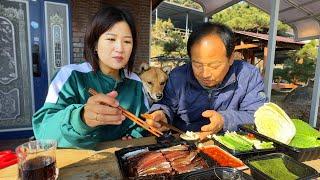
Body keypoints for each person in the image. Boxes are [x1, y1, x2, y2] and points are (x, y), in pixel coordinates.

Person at [32, 7, 149, 149]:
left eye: (127, 42)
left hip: (122, 160)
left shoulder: (136, 82)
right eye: (111, 39)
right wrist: (81, 118)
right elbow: (44, 132)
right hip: (79, 165)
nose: (119, 48)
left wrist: (136, 135)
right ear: (95, 44)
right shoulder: (70, 76)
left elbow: (142, 125)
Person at [146, 22, 267, 139]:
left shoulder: (248, 75)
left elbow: (258, 116)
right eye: (197, 65)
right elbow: (166, 104)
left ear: (231, 58)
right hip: (184, 142)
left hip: (228, 143)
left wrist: (224, 120)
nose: (205, 74)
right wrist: (162, 114)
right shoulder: (178, 76)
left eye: (214, 66)